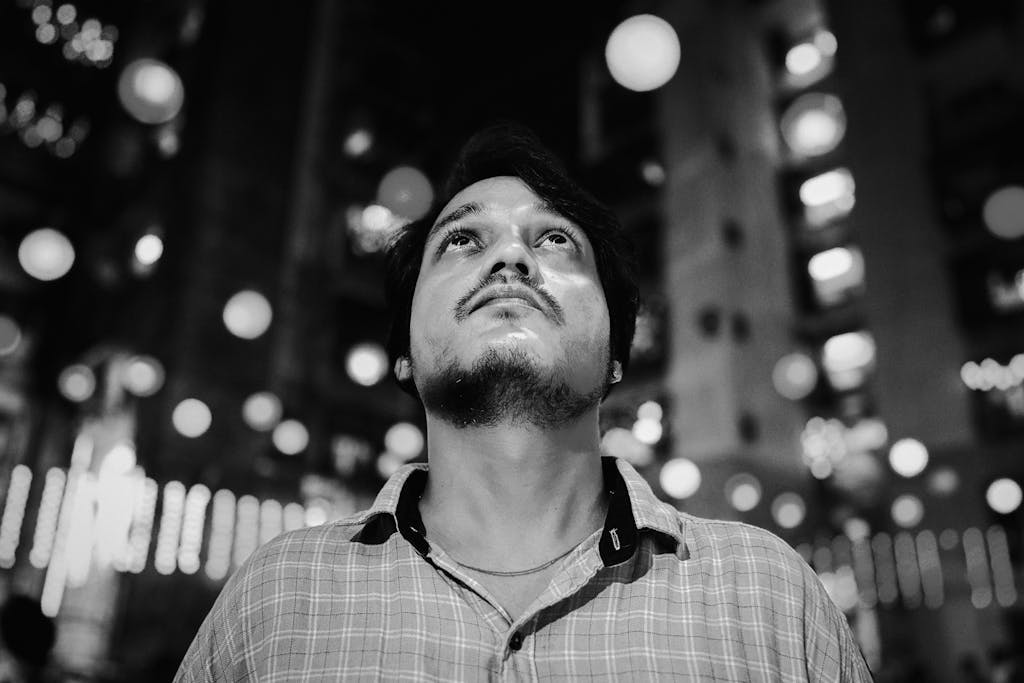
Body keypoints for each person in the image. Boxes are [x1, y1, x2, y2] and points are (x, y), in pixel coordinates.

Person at [175, 123, 874, 681]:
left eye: (555, 240)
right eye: (462, 240)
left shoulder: (768, 593)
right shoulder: (276, 600)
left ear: (617, 355)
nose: (510, 258)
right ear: (404, 355)